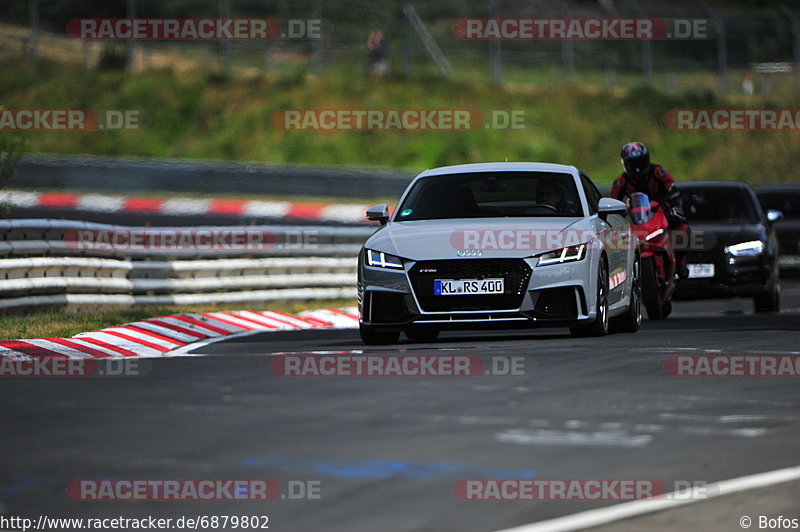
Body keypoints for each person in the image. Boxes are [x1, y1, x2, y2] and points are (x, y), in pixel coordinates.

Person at [611, 142, 690, 279]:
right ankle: (623, 273)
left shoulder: (657, 172)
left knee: (682, 227)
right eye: (632, 164)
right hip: (635, 217)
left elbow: (673, 188)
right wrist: (617, 216)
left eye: (639, 163)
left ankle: (681, 262)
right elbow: (613, 201)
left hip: (660, 212)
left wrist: (674, 206)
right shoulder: (621, 181)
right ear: (625, 164)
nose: (637, 169)